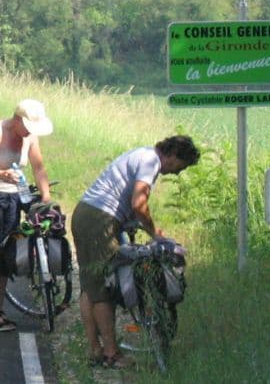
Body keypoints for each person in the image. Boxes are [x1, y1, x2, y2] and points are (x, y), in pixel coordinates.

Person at [72, 135, 200, 369]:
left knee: (90, 285)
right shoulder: (151, 162)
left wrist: (144, 226)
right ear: (173, 155)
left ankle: (95, 350)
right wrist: (154, 234)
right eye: (181, 166)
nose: (178, 172)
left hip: (87, 213)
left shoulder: (142, 153)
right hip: (100, 220)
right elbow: (139, 203)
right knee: (104, 288)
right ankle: (112, 354)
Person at [0, 98, 54, 332]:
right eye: (26, 127)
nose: (28, 133)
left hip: (13, 197)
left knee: (6, 253)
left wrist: (45, 196)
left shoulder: (30, 137)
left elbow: (38, 167)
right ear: (16, 120)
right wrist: (0, 174)